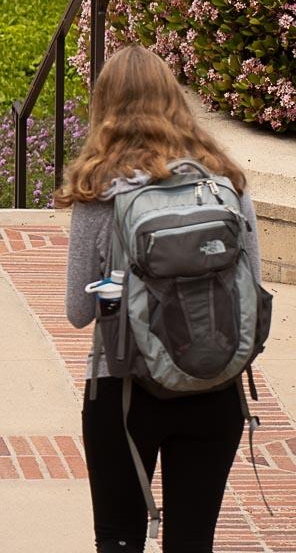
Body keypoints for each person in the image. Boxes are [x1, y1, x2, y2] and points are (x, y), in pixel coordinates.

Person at [61, 45, 263, 553]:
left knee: (119, 539)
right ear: (174, 98)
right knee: (193, 542)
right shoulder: (225, 181)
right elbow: (252, 290)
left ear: (104, 105)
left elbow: (78, 312)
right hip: (215, 382)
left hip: (124, 390)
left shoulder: (100, 188)